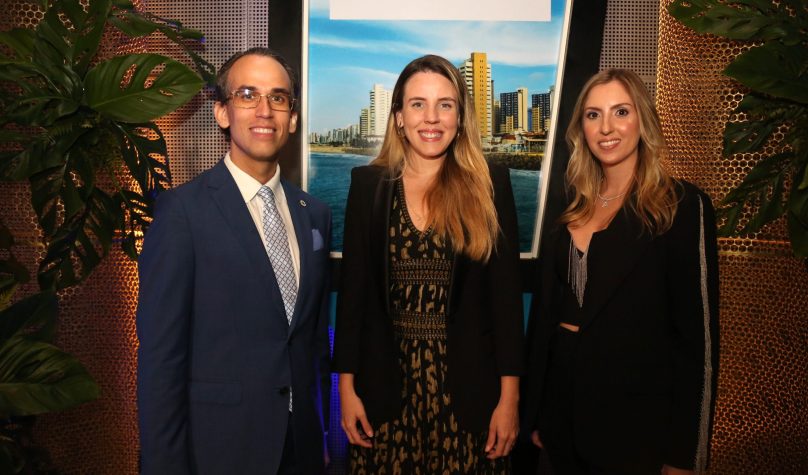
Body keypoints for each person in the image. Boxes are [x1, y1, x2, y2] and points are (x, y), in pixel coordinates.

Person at [136, 47, 332, 475]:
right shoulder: (181, 213)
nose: (265, 110)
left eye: (278, 98)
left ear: (293, 119)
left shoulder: (314, 213)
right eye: (247, 95)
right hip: (219, 451)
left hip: (301, 450)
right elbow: (161, 362)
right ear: (222, 113)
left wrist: (319, 437)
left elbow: (312, 341)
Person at [332, 54, 524, 475]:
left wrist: (509, 400)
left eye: (445, 104)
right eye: (418, 104)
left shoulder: (490, 186)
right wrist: (345, 388)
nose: (431, 117)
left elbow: (507, 304)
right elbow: (353, 298)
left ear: (460, 117)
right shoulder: (369, 188)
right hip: (386, 392)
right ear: (398, 116)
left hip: (471, 396)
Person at [523, 68, 719, 474]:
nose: (606, 127)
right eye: (593, 115)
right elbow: (546, 320)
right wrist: (537, 412)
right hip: (561, 424)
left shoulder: (680, 206)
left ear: (643, 121)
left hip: (635, 432)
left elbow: (696, 346)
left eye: (621, 112)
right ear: (581, 129)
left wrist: (684, 456)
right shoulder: (569, 208)